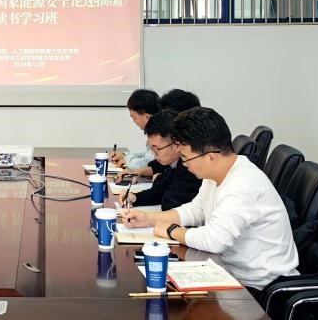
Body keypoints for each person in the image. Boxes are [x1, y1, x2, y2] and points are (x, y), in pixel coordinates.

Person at [120, 107, 298, 293]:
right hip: (227, 270)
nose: (184, 164)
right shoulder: (216, 172)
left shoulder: (243, 185)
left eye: (186, 158)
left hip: (259, 288)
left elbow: (214, 240)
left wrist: (172, 231)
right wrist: (148, 219)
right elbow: (196, 210)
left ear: (211, 157)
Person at [118, 110, 201, 211]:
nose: (153, 154)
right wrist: (135, 198)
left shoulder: (189, 167)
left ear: (176, 145)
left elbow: (169, 203)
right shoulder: (172, 162)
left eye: (156, 148)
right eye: (151, 148)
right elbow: (158, 192)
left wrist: (159, 179)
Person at [115, 88, 202, 181]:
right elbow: (158, 166)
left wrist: (158, 179)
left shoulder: (193, 162)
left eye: (168, 117)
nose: (163, 120)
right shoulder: (176, 155)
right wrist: (139, 172)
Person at [109, 89, 160, 170]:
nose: (134, 121)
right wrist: (125, 155)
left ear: (147, 117)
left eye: (134, 118)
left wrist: (127, 160)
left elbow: (145, 163)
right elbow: (147, 154)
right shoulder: (156, 129)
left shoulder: (159, 135)